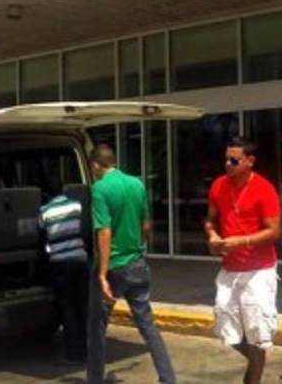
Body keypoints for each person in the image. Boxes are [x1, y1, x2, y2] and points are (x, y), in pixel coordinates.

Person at [86, 144, 176, 384]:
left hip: (113, 267)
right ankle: (168, 379)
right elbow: (146, 225)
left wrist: (102, 274)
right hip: (137, 264)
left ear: (95, 165)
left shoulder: (99, 189)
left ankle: (94, 380)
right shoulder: (137, 184)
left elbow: (104, 232)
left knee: (96, 329)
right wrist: (138, 248)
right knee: (148, 326)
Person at [204, 136, 282, 384]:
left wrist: (242, 241)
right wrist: (213, 235)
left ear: (250, 161)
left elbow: (274, 232)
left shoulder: (264, 189)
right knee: (226, 329)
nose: (228, 164)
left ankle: (254, 372)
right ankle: (257, 359)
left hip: (258, 271)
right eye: (226, 159)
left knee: (257, 332)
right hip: (230, 269)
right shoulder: (219, 185)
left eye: (234, 160)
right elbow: (210, 220)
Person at [39, 191, 89, 364]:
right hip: (80, 261)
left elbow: (42, 237)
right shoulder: (76, 205)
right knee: (82, 306)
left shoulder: (44, 211)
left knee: (68, 309)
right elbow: (85, 229)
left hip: (60, 264)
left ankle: (74, 354)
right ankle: (88, 349)